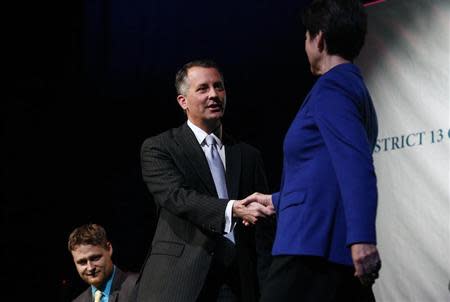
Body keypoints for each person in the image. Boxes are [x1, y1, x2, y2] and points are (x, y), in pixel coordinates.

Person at [246, 0, 382, 301]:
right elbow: (325, 173)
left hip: (308, 247)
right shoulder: (352, 87)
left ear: (318, 38)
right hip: (322, 247)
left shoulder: (333, 87)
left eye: (306, 37)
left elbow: (354, 163)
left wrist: (362, 238)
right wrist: (276, 200)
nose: (305, 44)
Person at [136, 59, 275, 302]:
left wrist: (267, 289)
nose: (214, 95)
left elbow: (263, 233)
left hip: (237, 284)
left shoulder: (248, 155)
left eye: (219, 87)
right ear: (183, 101)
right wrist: (232, 209)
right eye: (203, 89)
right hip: (178, 282)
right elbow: (176, 197)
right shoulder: (160, 148)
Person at [68, 224, 138, 302]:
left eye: (95, 258)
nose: (90, 268)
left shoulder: (138, 285)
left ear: (109, 249)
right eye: (82, 262)